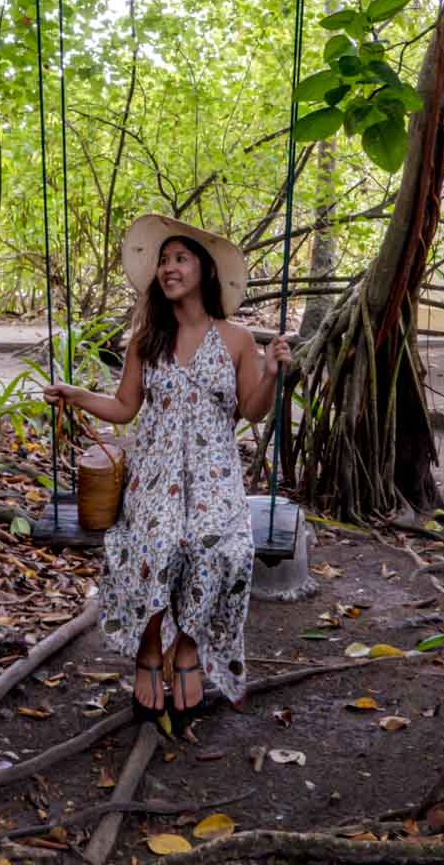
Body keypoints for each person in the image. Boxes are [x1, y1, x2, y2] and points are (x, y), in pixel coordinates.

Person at [44, 212, 291, 732]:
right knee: (154, 545)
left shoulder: (237, 338)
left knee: (218, 546)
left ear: (203, 269)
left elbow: (253, 409)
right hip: (155, 475)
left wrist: (270, 373)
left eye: (179, 259)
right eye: (162, 261)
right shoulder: (147, 338)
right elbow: (123, 407)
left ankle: (188, 652)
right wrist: (77, 395)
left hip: (214, 477)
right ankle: (149, 653)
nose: (168, 268)